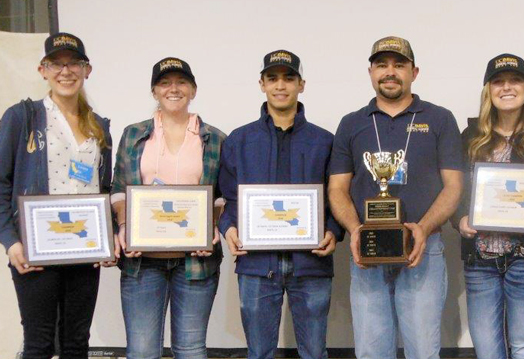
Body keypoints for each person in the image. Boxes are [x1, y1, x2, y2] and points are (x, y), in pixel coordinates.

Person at [328, 36, 463, 359]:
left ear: (414, 72)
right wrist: (357, 230)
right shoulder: (352, 123)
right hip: (367, 251)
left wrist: (423, 228)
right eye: (382, 65)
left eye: (399, 65)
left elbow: (454, 186)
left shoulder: (440, 119)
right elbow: (337, 189)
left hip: (423, 248)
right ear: (371, 72)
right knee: (372, 352)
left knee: (423, 351)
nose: (390, 72)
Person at [218, 50, 342, 359]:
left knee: (314, 352)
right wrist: (228, 227)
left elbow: (338, 196)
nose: (280, 85)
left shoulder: (325, 141)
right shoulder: (239, 140)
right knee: (259, 352)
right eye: (272, 78)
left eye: (289, 78)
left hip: (311, 262)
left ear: (302, 84)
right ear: (261, 84)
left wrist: (333, 230)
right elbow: (228, 198)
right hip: (257, 266)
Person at [0, 32, 113, 358]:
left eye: (74, 63)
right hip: (36, 250)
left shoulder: (99, 127)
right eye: (56, 64)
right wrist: (11, 241)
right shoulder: (22, 117)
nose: (66, 71)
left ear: (86, 69)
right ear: (43, 70)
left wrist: (106, 236)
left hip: (84, 248)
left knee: (77, 342)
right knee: (39, 343)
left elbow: (103, 189)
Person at [451, 53, 524, 359]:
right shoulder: (469, 137)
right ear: (488, 90)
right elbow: (455, 191)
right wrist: (459, 220)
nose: (506, 87)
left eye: (514, 80)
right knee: (487, 351)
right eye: (498, 81)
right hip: (480, 260)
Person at [110, 57, 225, 358]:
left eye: (181, 82)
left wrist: (210, 227)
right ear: (154, 91)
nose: (173, 89)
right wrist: (123, 228)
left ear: (193, 90)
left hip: (195, 263)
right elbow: (119, 189)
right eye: (165, 83)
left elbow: (222, 196)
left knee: (190, 348)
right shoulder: (133, 135)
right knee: (142, 350)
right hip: (142, 262)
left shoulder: (215, 139)